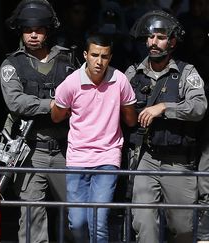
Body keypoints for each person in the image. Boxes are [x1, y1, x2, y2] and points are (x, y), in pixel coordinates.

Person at [125, 10, 207, 243]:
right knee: (143, 222)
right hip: (145, 158)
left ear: (172, 41)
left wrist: (163, 107)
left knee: (183, 228)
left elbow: (198, 107)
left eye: (160, 37)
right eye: (150, 37)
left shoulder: (186, 72)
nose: (153, 42)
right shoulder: (133, 73)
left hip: (179, 162)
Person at [0, 0, 77, 242]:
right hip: (32, 151)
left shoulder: (68, 61)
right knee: (32, 220)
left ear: (48, 31)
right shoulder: (12, 64)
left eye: (39, 29)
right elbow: (15, 102)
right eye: (28, 30)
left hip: (67, 149)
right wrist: (54, 106)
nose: (33, 35)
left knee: (76, 218)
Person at [51, 33, 137, 243]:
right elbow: (56, 116)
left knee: (98, 221)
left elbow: (131, 119)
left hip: (108, 157)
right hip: (77, 159)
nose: (99, 62)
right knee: (77, 223)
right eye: (95, 55)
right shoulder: (71, 83)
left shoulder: (120, 80)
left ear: (110, 57)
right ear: (85, 55)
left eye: (105, 56)